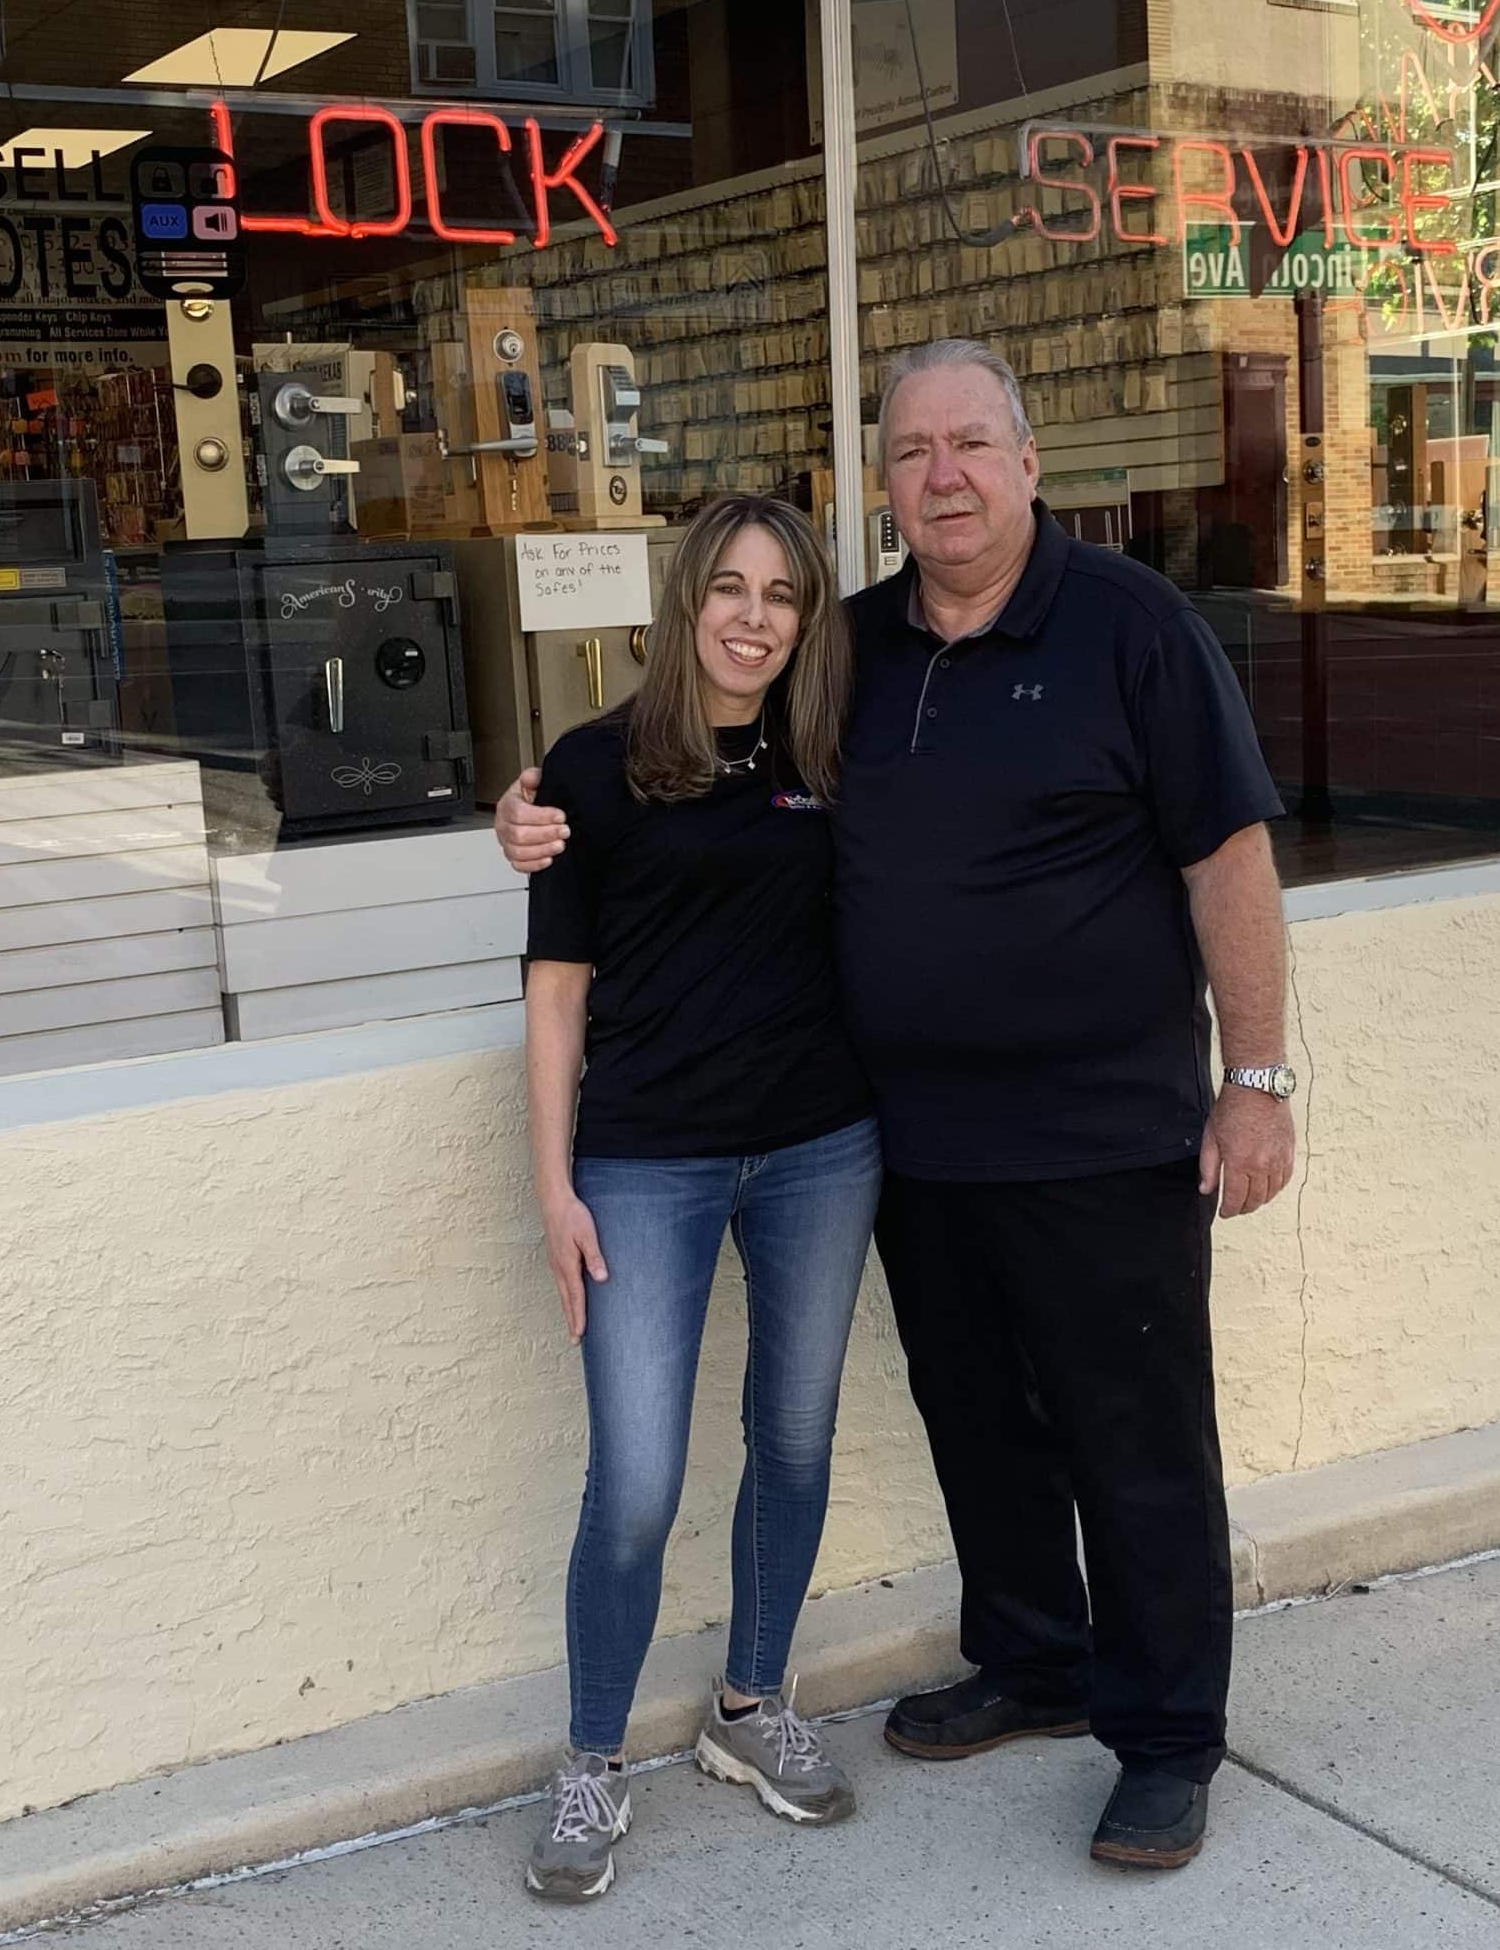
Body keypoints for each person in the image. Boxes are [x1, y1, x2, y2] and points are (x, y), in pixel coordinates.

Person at [499, 341, 1296, 1874]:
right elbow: (673, 757)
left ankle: (1166, 1737)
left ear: (1028, 460)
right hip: (911, 1144)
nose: (944, 475)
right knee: (978, 1417)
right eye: (914, 451)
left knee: (1134, 1437)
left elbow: (1229, 862)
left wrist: (1253, 1082)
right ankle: (1032, 1656)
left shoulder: (1132, 628)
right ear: (883, 483)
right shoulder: (844, 651)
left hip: (1105, 1133)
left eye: (972, 444)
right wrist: (530, 806)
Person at [518, 493, 882, 1903]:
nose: (752, 617)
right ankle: (594, 1764)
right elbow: (556, 997)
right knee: (638, 1480)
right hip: (645, 1161)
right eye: (728, 588)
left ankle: (746, 1709)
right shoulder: (593, 767)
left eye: (782, 595)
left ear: (807, 620)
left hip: (819, 1146)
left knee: (792, 1438)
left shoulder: (832, 755)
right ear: (684, 604)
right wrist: (551, 1185)